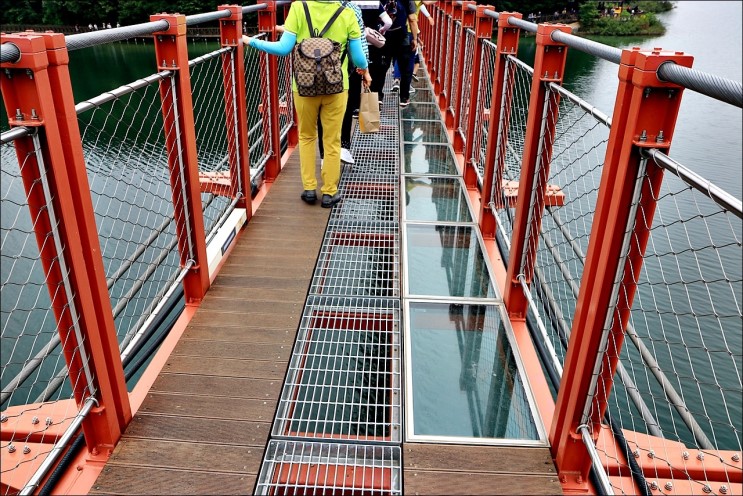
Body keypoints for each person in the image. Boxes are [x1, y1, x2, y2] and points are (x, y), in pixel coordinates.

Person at [244, 1, 370, 208]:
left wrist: (251, 41)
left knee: (307, 136)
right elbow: (358, 58)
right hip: (337, 87)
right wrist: (364, 69)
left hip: (303, 86)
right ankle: (329, 192)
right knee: (332, 140)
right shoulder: (348, 13)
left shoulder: (297, 8)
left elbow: (284, 49)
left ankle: (309, 189)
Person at [370, 0, 419, 108]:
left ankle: (378, 96)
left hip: (383, 35)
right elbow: (412, 19)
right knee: (405, 68)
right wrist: (415, 39)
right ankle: (404, 97)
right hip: (402, 36)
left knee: (381, 67)